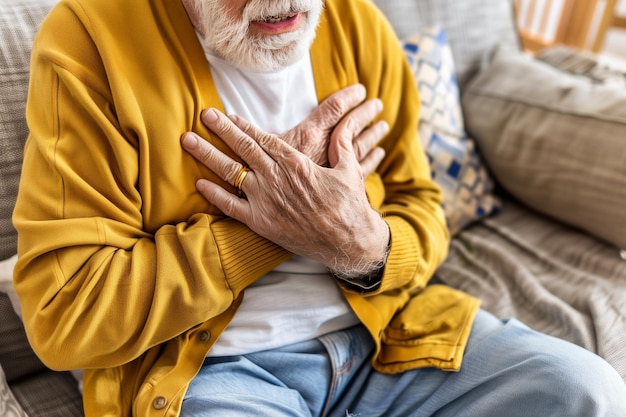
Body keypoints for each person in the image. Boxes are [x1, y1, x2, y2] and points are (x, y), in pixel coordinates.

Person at [12, 0, 626, 415]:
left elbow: (421, 205)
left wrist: (363, 245)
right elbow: (66, 318)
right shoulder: (90, 39)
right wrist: (271, 229)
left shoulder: (356, 23)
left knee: (586, 392)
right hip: (210, 375)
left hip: (388, 342)